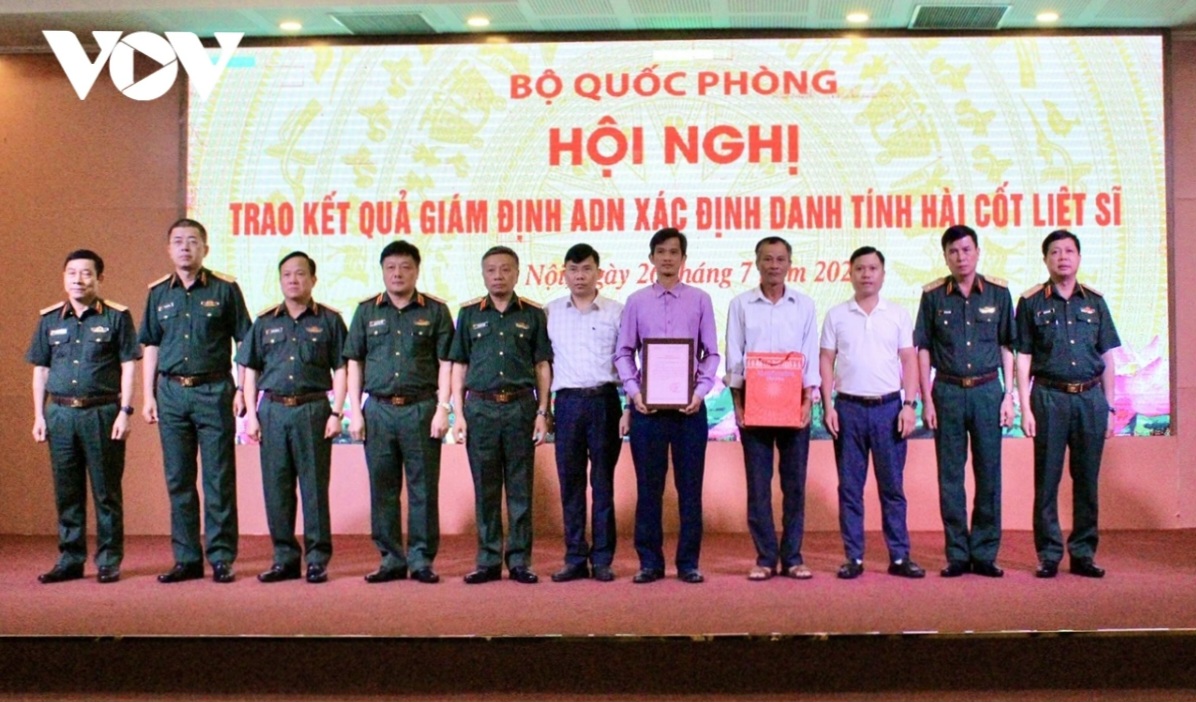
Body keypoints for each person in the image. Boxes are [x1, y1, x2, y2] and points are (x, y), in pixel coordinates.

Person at [140, 218, 251, 584]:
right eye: (178, 241)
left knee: (219, 478)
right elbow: (151, 345)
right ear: (169, 249)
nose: (185, 247)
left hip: (214, 391)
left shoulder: (225, 289)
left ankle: (221, 557)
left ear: (206, 248)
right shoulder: (158, 293)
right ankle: (186, 558)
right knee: (179, 479)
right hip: (171, 393)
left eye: (192, 241)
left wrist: (242, 390)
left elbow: (245, 343)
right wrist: (148, 394)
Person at [27, 250, 140, 584]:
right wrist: (39, 416)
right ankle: (70, 559)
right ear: (64, 278)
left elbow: (128, 367)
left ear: (99, 278)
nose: (78, 279)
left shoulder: (117, 317)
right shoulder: (50, 319)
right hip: (60, 414)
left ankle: (108, 560)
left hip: (101, 413)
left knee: (106, 492)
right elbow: (41, 370)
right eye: (72, 273)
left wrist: (125, 411)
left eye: (86, 273)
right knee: (67, 492)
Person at [614, 227, 720, 585]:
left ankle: (688, 563)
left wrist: (700, 392)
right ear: (651, 258)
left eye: (674, 252)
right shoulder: (636, 301)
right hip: (648, 410)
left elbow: (711, 353)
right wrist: (635, 392)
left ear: (684, 258)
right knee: (649, 489)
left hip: (690, 409)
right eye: (661, 252)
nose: (667, 258)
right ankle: (650, 562)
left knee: (690, 489)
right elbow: (624, 352)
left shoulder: (701, 300)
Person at [344, 241, 454, 585]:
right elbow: (354, 361)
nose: (397, 273)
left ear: (417, 271)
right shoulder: (366, 311)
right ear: (382, 271)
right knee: (383, 489)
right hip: (377, 410)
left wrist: (443, 409)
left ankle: (421, 560)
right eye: (390, 267)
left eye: (405, 267)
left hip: (421, 409)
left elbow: (446, 363)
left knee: (424, 489)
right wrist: (355, 412)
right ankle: (391, 558)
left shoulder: (436, 310)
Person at [237, 252, 347, 584]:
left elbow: (342, 368)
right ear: (280, 280)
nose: (293, 280)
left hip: (313, 409)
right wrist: (251, 415)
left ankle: (316, 559)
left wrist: (337, 411)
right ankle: (284, 558)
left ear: (313, 280)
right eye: (287, 274)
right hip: (272, 410)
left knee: (314, 489)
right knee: (277, 489)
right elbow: (250, 369)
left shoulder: (329, 320)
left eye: (300, 274)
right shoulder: (264, 321)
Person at [1015, 230, 1120, 578]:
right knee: (1047, 480)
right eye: (1055, 252)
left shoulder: (1095, 302)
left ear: (1079, 258)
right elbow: (1023, 357)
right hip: (1049, 397)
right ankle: (1048, 555)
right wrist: (1024, 407)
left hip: (1090, 399)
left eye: (1069, 251)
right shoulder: (1031, 302)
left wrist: (1110, 407)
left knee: (1086, 481)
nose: (1063, 257)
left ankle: (1083, 553)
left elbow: (1107, 357)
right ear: (1045, 259)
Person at [914, 225, 1015, 578]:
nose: (961, 257)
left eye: (966, 249)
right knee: (950, 477)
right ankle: (957, 553)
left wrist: (1009, 395)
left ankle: (985, 553)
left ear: (978, 252)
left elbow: (1007, 346)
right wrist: (927, 400)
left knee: (989, 475)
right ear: (945, 256)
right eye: (953, 251)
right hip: (948, 392)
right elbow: (923, 349)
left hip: (988, 391)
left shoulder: (999, 293)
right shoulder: (933, 296)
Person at [449, 246, 552, 584]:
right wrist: (458, 413)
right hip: (480, 409)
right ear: (483, 274)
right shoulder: (469, 314)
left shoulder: (533, 314)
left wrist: (542, 411)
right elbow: (459, 365)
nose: (498, 276)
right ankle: (488, 560)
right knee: (486, 489)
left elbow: (542, 365)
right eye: (491, 270)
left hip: (521, 408)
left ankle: (520, 561)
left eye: (505, 269)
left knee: (520, 490)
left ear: (517, 274)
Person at [819, 246, 924, 580]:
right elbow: (826, 360)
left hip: (888, 409)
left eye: (873, 268)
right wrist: (828, 405)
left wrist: (909, 405)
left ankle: (899, 557)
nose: (866, 274)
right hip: (848, 409)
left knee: (892, 488)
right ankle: (854, 557)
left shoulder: (898, 314)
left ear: (883, 274)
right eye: (860, 268)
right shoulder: (836, 314)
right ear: (850, 273)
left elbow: (908, 360)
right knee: (850, 489)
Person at [724, 236, 820, 581]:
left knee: (794, 486)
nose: (774, 265)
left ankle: (792, 557)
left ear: (790, 264)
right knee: (758, 485)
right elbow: (734, 355)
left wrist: (808, 401)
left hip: (794, 403)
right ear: (757, 263)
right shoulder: (741, 304)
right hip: (755, 403)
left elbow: (810, 355)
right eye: (767, 259)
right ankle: (765, 557)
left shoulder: (804, 305)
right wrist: (738, 404)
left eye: (780, 259)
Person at [545, 243, 628, 583]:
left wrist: (630, 406)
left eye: (586, 269)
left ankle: (603, 559)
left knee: (603, 483)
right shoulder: (550, 313)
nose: (580, 276)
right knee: (571, 484)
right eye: (573, 269)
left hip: (605, 401)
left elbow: (629, 361)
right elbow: (543, 365)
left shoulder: (617, 312)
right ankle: (575, 557)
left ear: (598, 272)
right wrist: (544, 409)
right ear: (564, 273)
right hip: (566, 404)